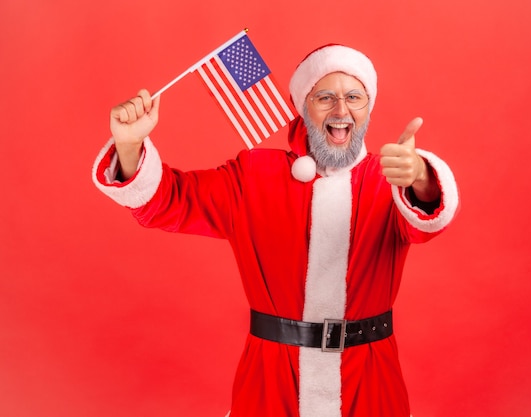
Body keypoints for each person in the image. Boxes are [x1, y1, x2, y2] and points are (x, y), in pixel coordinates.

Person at [92, 44, 459, 417]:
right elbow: (168, 202)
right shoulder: (253, 176)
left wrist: (421, 177)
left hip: (370, 378)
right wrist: (129, 145)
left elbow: (426, 219)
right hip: (271, 380)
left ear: (368, 107)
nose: (341, 110)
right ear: (303, 107)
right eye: (325, 97)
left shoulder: (391, 177)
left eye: (354, 97)